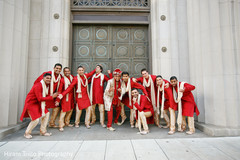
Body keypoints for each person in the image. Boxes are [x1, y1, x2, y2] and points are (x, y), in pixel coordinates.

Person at [20, 73, 58, 139]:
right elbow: (40, 98)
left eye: (50, 78)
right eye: (47, 78)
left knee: (47, 114)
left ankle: (43, 131)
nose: (49, 79)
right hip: (31, 103)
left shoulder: (45, 85)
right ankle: (27, 133)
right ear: (43, 78)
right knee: (35, 120)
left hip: (38, 103)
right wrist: (52, 97)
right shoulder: (38, 85)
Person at [34, 63, 62, 128]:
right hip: (43, 95)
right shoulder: (47, 74)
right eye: (57, 68)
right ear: (54, 68)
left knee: (57, 107)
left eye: (59, 69)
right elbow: (37, 82)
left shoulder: (60, 77)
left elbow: (60, 89)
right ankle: (42, 125)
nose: (58, 70)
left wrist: (57, 99)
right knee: (44, 110)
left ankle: (51, 123)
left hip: (51, 96)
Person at [56, 67, 74, 132]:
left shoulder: (72, 77)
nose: (67, 72)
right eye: (65, 71)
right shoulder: (62, 80)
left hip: (72, 97)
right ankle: (61, 125)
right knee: (63, 111)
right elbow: (59, 90)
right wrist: (58, 100)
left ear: (70, 71)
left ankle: (67, 122)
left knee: (70, 110)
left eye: (68, 71)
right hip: (65, 98)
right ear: (63, 72)